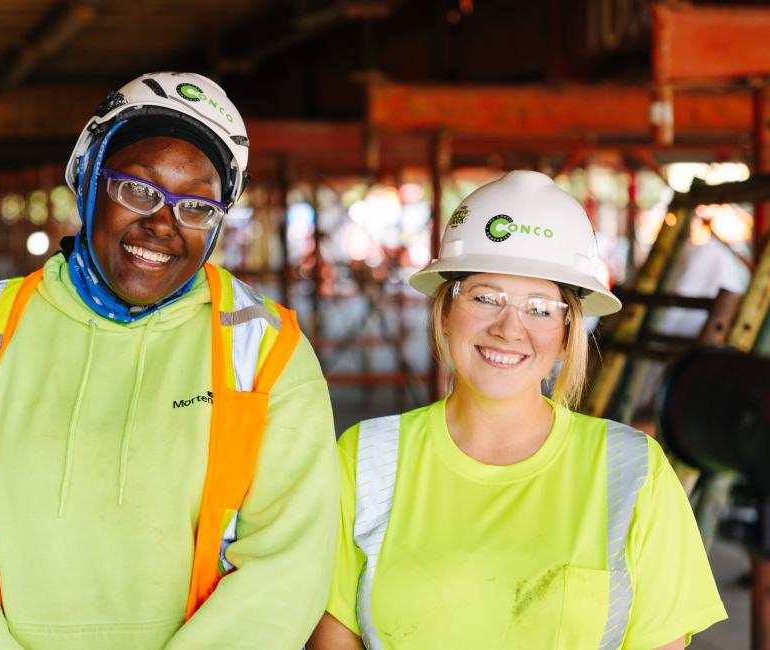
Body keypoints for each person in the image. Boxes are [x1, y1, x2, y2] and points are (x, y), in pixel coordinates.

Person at [0, 72, 339, 649]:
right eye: (139, 189)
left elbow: (288, 560)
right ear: (88, 181)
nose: (162, 224)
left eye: (196, 205)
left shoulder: (265, 353)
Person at [308, 170, 726, 649]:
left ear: (569, 333)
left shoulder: (632, 470)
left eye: (540, 308)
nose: (510, 328)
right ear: (445, 309)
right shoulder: (367, 458)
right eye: (486, 298)